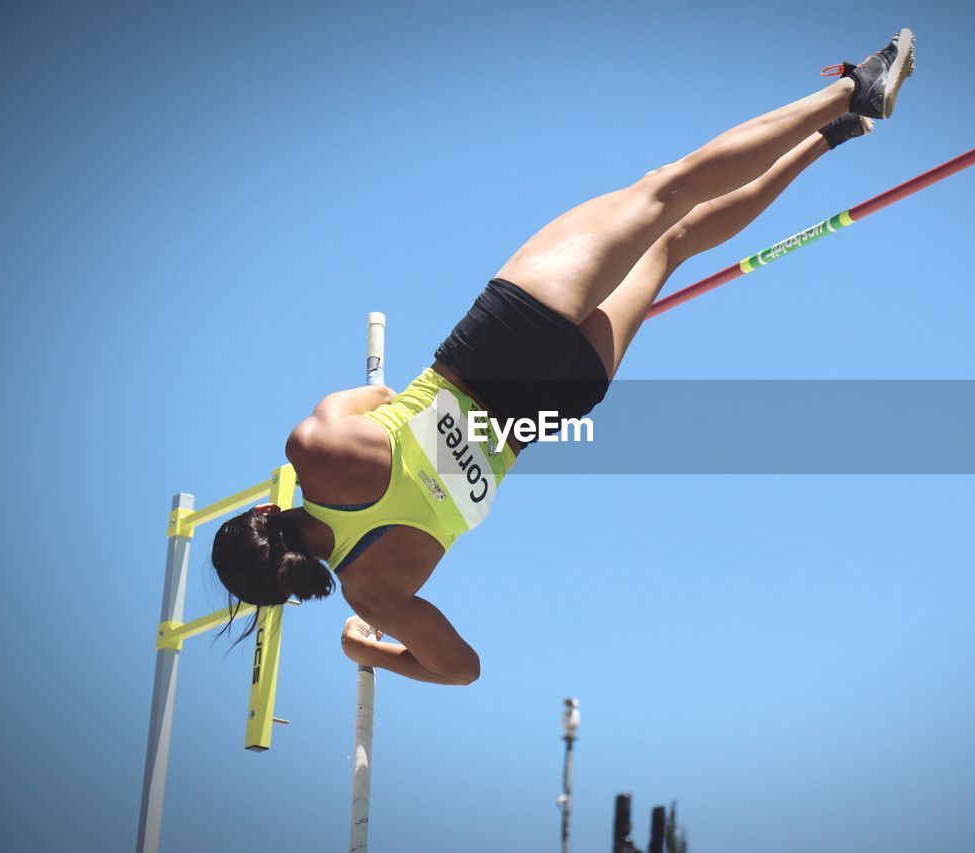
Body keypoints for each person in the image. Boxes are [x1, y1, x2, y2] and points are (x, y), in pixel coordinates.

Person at [211, 30, 915, 685]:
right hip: (499, 344)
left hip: (551, 405)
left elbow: (460, 669)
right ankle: (852, 91)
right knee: (664, 191)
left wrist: (365, 645)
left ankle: (831, 136)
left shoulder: (375, 590)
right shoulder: (313, 448)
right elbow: (382, 397)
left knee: (674, 244)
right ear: (266, 510)